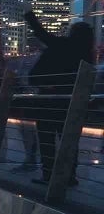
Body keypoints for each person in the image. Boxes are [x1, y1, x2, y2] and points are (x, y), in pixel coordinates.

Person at [24, 10, 95, 185]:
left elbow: (42, 34)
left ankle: (48, 175)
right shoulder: (88, 55)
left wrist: (29, 16)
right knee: (69, 139)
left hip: (49, 102)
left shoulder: (63, 45)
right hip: (72, 103)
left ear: (72, 34)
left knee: (47, 139)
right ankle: (70, 176)